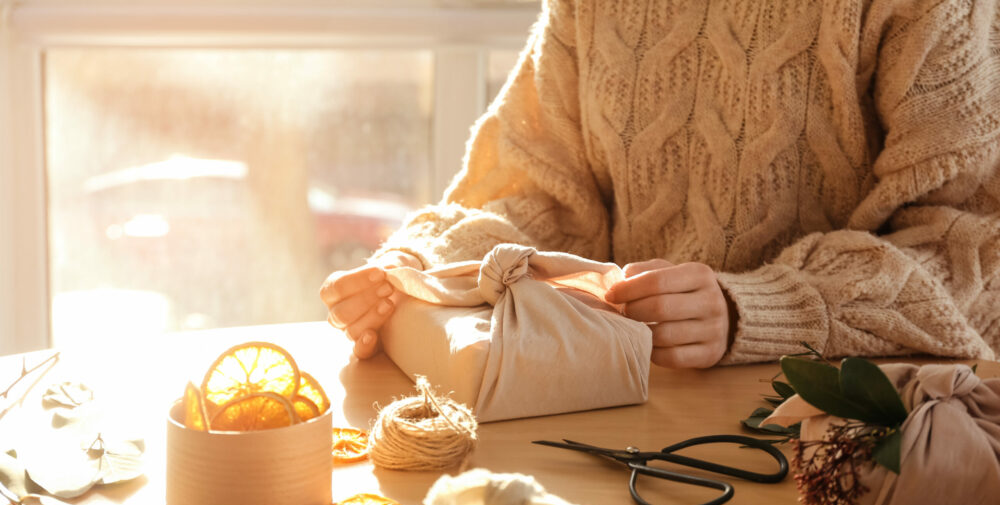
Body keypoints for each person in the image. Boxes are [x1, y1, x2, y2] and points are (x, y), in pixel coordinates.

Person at [321, 0, 1000, 369]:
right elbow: (544, 198)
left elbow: (972, 256)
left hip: (848, 444)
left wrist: (752, 312)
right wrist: (420, 263)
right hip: (625, 420)